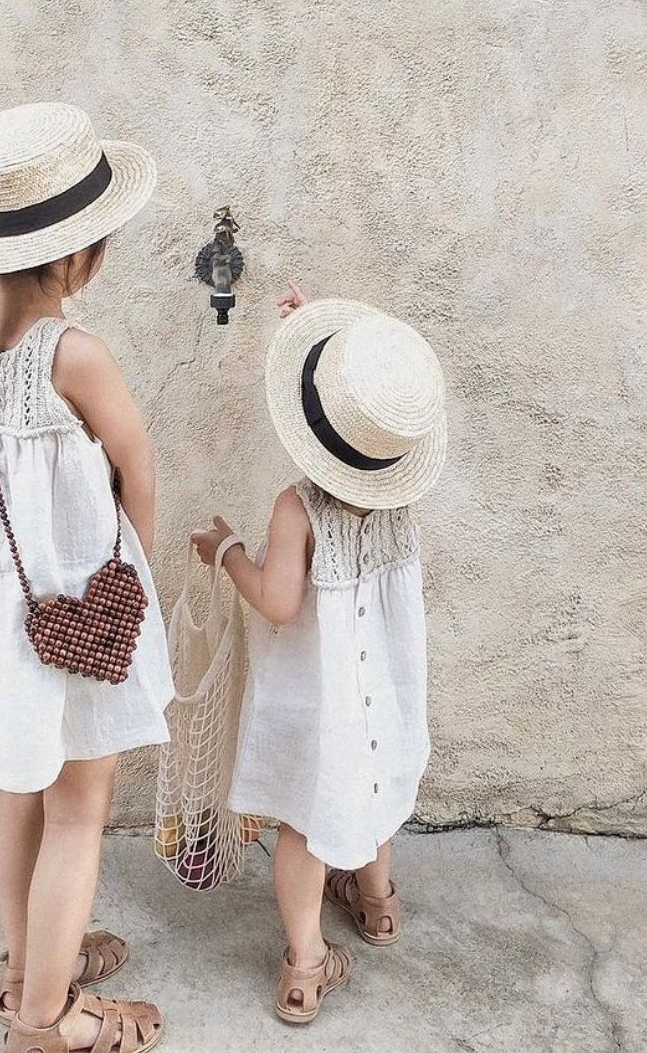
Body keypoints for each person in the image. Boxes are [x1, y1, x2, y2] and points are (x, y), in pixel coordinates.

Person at [0, 102, 172, 1053]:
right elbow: (137, 471)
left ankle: (29, 966)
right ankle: (45, 1020)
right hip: (75, 623)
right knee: (78, 810)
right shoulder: (77, 356)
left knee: (17, 793)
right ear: (78, 258)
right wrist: (132, 595)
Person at [191, 285, 447, 1023]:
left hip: (320, 697)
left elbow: (277, 604)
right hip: (383, 690)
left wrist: (228, 551)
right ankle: (378, 903)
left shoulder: (296, 508)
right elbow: (373, 400)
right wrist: (313, 324)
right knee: (374, 788)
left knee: (303, 823)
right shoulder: (398, 498)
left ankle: (305, 966)